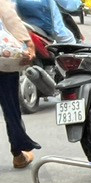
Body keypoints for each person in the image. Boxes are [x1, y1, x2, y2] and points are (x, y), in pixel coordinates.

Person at [0, 0, 39, 168]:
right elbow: (7, 14)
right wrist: (28, 43)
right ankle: (18, 154)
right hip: (2, 61)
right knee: (10, 107)